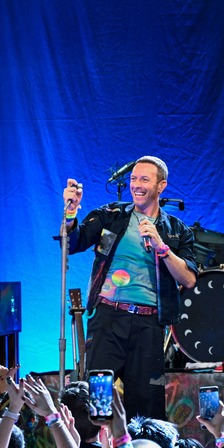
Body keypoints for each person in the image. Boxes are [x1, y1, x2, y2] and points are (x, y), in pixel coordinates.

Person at [60, 156, 197, 421]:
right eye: (134, 179)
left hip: (149, 326)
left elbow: (189, 279)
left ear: (161, 186)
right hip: (108, 320)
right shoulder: (110, 216)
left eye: (145, 179)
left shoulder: (176, 231)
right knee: (97, 404)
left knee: (146, 411)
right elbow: (73, 242)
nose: (136, 185)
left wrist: (162, 247)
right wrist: (70, 213)